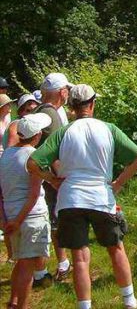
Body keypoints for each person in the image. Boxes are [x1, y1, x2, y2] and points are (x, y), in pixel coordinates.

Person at [27, 84, 137, 309]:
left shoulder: (63, 133)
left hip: (70, 198)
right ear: (92, 104)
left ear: (72, 106)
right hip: (100, 196)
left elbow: (32, 163)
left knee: (80, 258)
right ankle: (130, 301)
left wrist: (52, 180)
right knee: (116, 248)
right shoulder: (109, 129)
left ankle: (85, 306)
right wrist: (118, 184)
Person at [0, 114, 53, 309]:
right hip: (31, 218)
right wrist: (18, 220)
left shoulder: (5, 155)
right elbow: (32, 195)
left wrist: (5, 219)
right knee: (27, 266)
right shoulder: (35, 157)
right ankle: (22, 305)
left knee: (21, 261)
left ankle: (13, 302)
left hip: (11, 214)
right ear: (37, 135)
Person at [35, 72, 73, 282]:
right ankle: (63, 262)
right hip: (54, 178)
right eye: (67, 89)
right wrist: (62, 179)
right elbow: (54, 152)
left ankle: (63, 261)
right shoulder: (51, 115)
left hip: (48, 176)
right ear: (61, 92)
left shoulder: (47, 111)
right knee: (58, 219)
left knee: (56, 219)